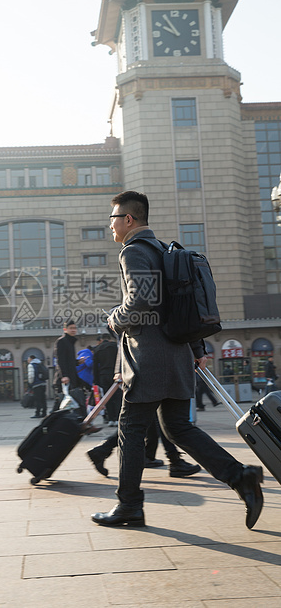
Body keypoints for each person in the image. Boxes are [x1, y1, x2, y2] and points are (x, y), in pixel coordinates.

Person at [91, 190, 263, 529]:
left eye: (112, 219)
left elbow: (141, 302)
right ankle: (240, 477)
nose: (110, 226)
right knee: (178, 428)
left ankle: (129, 506)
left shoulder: (134, 252)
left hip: (147, 362)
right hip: (177, 357)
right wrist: (197, 351)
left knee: (130, 428)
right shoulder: (165, 250)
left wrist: (115, 318)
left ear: (128, 219)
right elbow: (181, 306)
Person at [93, 332, 121, 426]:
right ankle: (117, 418)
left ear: (101, 340)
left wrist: (96, 381)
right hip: (114, 374)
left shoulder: (97, 349)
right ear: (109, 339)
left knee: (107, 398)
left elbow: (95, 367)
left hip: (103, 375)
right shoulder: (115, 346)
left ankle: (111, 419)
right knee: (117, 397)